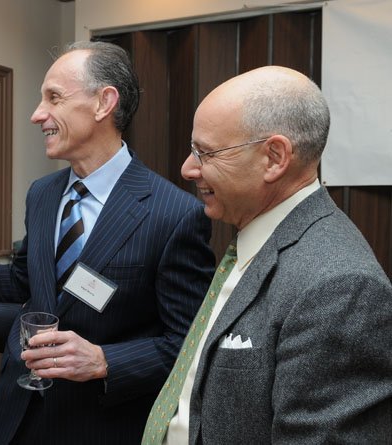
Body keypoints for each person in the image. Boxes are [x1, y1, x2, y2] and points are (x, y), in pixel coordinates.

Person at [0, 41, 215, 445]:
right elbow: (23, 285)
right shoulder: (42, 194)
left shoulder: (174, 214)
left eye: (53, 98)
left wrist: (104, 360)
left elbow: (189, 345)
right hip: (18, 416)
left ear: (103, 103)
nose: (37, 115)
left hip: (100, 424)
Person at [142, 65, 392, 445]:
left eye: (205, 153)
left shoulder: (340, 288)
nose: (188, 168)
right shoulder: (253, 240)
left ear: (274, 158)